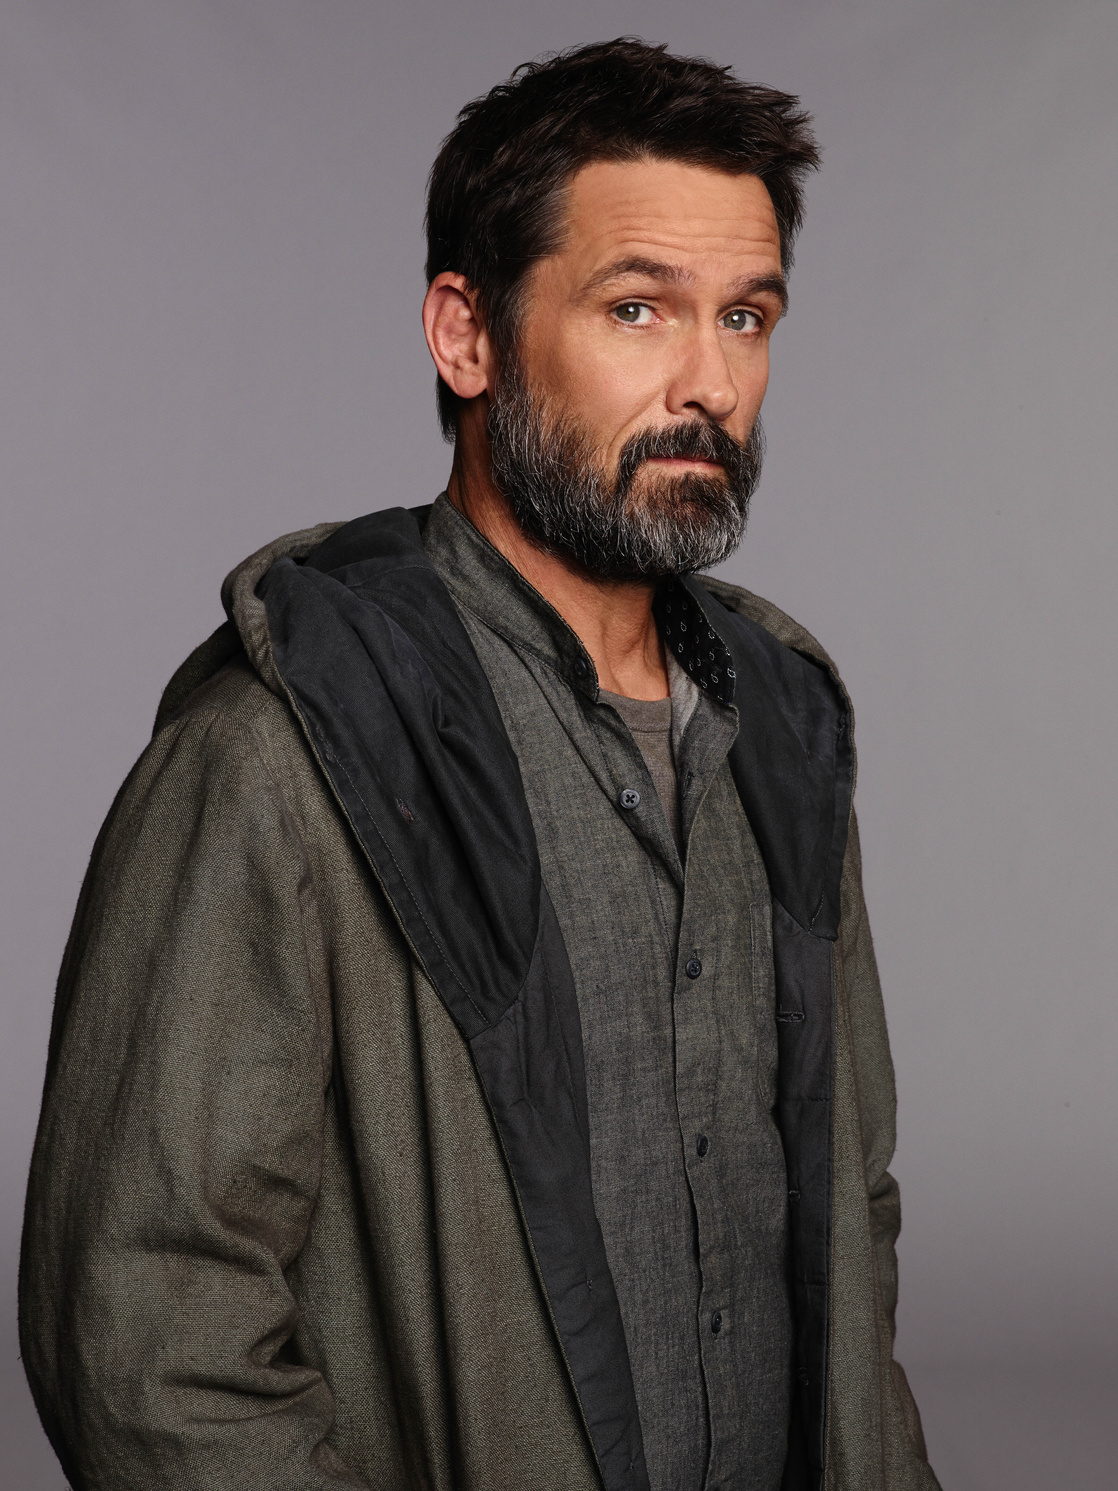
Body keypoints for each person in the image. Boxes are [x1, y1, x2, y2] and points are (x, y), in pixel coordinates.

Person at [20, 38, 941, 1491]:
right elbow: (145, 1330)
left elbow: (850, 1216)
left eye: (745, 317)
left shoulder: (782, 728)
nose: (708, 381)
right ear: (466, 336)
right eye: (636, 308)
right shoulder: (282, 753)